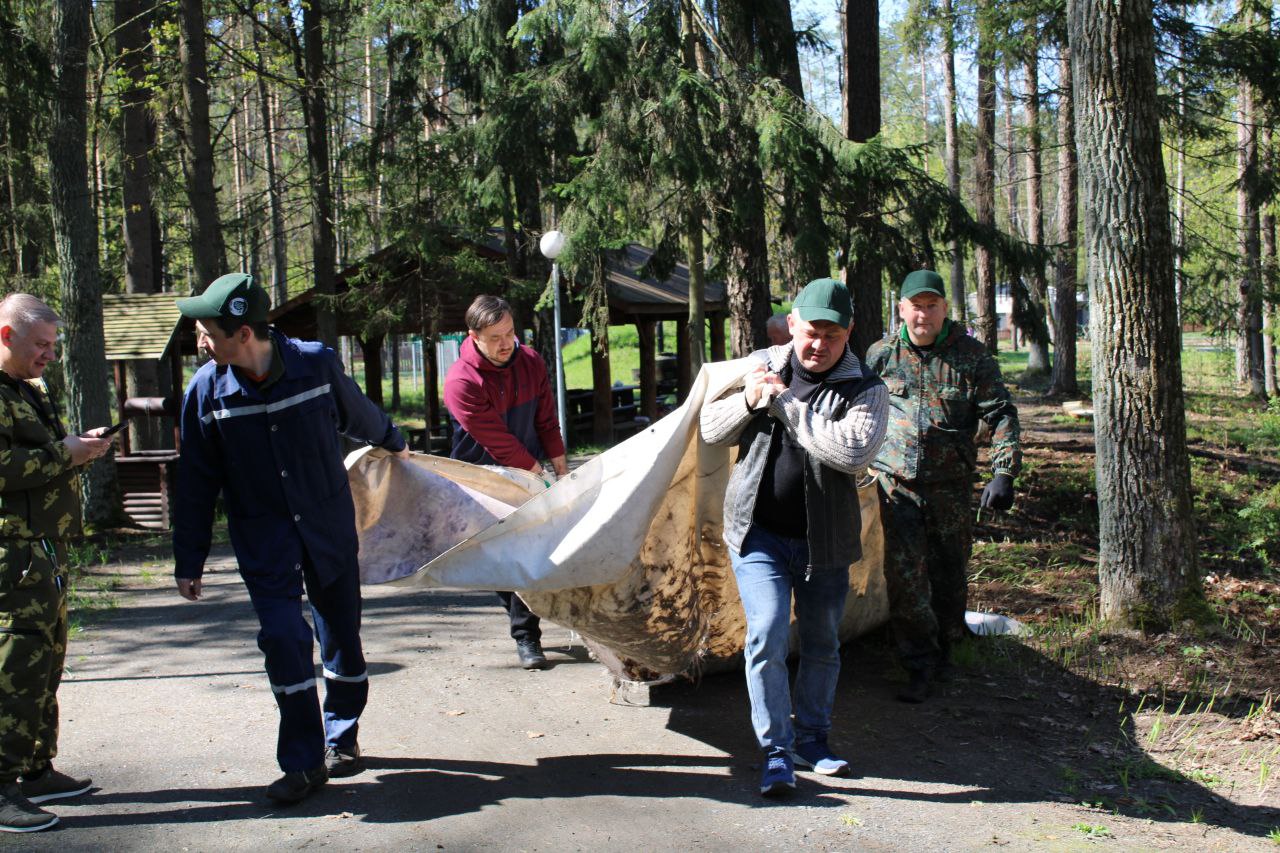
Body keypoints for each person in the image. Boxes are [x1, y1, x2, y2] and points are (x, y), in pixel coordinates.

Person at [172, 273, 409, 805]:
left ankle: (340, 734)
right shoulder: (205, 391)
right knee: (283, 638)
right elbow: (195, 480)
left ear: (245, 334)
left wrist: (397, 446)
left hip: (326, 527)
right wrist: (189, 557)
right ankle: (302, 762)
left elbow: (360, 413)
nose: (200, 341)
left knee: (341, 635)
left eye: (208, 331)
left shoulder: (316, 365)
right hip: (263, 539)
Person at [699, 278, 887, 797]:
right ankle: (776, 751)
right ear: (792, 327)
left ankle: (813, 739)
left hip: (825, 542)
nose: (817, 344)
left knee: (823, 643)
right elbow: (711, 427)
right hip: (758, 534)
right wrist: (751, 402)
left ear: (848, 333)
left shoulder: (866, 388)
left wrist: (785, 407)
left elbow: (851, 453)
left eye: (830, 334)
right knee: (765, 634)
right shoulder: (764, 364)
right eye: (809, 332)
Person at [865, 270, 1021, 704]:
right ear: (902, 310)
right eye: (916, 306)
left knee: (949, 573)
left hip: (951, 488)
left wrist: (1004, 472)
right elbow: (855, 407)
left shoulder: (970, 357)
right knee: (905, 576)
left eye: (932, 306)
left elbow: (1001, 413)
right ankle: (918, 663)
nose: (923, 315)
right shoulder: (881, 356)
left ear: (945, 311)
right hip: (895, 487)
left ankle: (949, 649)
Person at [0, 294, 113, 833]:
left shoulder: (27, 389)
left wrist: (79, 448)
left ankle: (35, 768)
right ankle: (1, 787)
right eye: (40, 345)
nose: (49, 355)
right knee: (15, 665)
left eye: (53, 345)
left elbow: (41, 457)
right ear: (6, 336)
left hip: (43, 550)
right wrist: (62, 453)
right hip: (11, 556)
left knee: (46, 659)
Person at [444, 295, 568, 670]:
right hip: (481, 475)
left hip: (526, 469)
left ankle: (527, 635)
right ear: (474, 336)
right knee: (502, 558)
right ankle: (524, 628)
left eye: (510, 333)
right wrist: (540, 474)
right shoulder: (461, 381)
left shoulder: (530, 361)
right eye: (495, 336)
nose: (505, 343)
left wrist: (562, 471)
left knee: (524, 549)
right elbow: (497, 441)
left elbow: (546, 420)